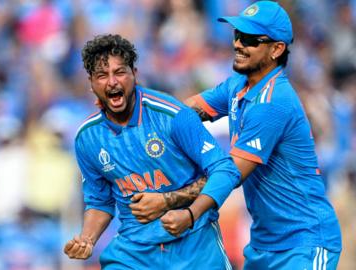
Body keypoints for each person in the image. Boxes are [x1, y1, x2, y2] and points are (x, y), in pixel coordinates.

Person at [130, 1, 342, 269]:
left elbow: (230, 174)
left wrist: (183, 209)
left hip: (304, 244)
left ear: (277, 49)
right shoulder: (238, 85)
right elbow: (182, 113)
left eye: (251, 39)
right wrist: (132, 109)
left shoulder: (273, 102)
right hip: (264, 244)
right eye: (238, 35)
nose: (239, 44)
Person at [63, 34, 240, 269]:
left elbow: (225, 170)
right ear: (91, 82)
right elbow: (100, 201)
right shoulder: (87, 138)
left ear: (134, 73)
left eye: (120, 72)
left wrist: (174, 205)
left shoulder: (172, 115)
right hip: (135, 253)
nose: (112, 82)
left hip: (194, 245)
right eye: (102, 75)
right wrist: (87, 238)